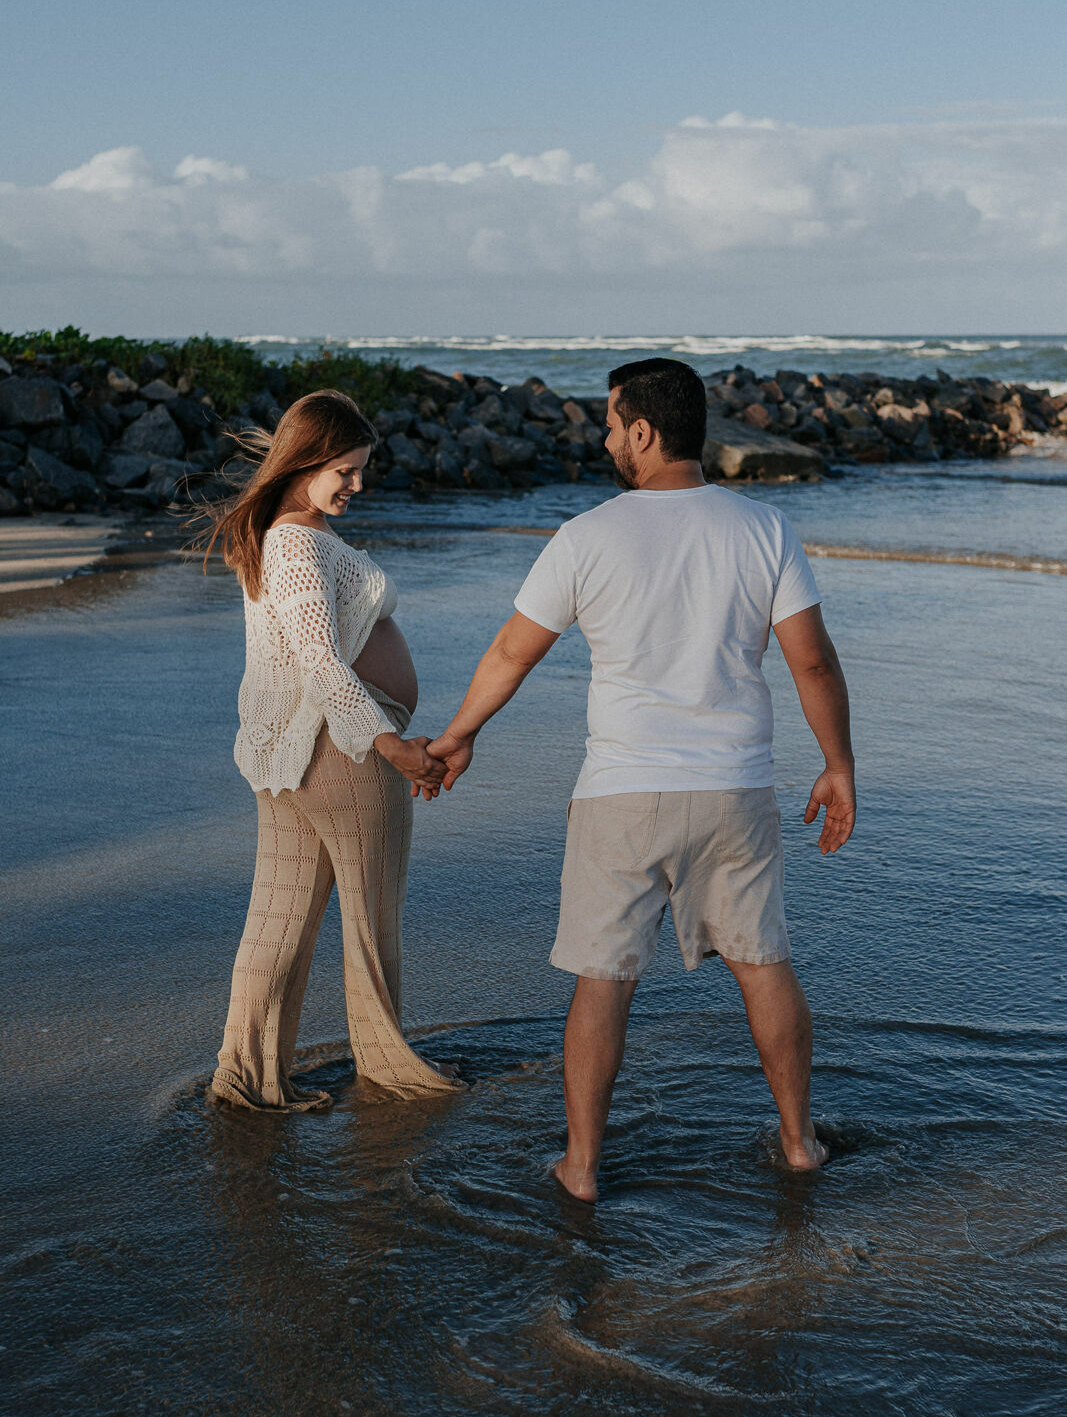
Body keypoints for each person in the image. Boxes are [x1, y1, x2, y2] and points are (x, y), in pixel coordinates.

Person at [427, 358, 855, 1200]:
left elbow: (514, 651)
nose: (606, 438)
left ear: (644, 433)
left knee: (603, 977)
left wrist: (457, 737)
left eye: (612, 423)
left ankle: (582, 1168)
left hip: (621, 791)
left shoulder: (587, 534)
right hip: (735, 788)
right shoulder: (762, 528)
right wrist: (837, 766)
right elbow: (811, 661)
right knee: (762, 962)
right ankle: (799, 1142)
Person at [198, 389, 458, 1110]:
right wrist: (391, 744)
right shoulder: (295, 540)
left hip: (295, 759)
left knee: (278, 922)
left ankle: (246, 1077)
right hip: (343, 756)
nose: (355, 485)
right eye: (344, 470)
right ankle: (389, 1075)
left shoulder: (280, 536)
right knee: (371, 927)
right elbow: (319, 660)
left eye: (360, 471)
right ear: (306, 460)